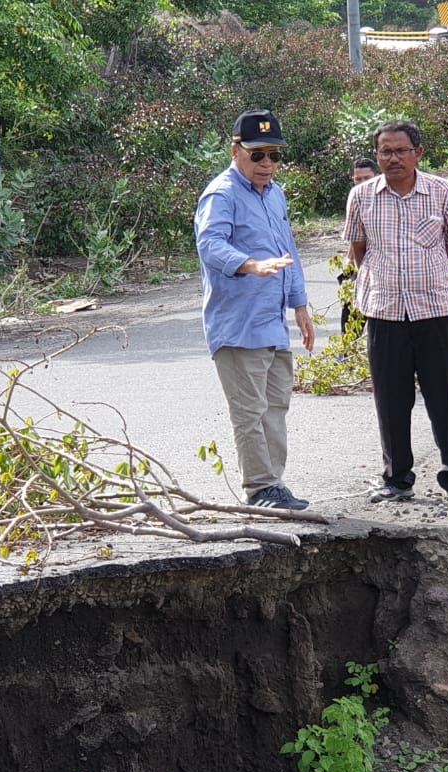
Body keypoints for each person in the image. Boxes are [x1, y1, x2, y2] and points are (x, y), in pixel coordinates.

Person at [343, 120, 448, 505]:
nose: (393, 158)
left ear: (418, 153)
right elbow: (359, 249)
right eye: (385, 151)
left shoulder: (440, 192)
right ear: (377, 155)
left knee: (444, 398)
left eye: (401, 150)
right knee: (390, 400)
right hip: (384, 312)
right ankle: (397, 479)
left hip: (433, 310)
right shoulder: (362, 197)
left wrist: (419, 273)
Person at [194, 108, 316, 511]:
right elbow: (210, 245)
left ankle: (274, 486)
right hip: (238, 324)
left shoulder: (274, 194)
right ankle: (261, 488)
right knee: (249, 411)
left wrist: (299, 304)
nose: (267, 164)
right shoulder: (221, 194)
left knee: (276, 406)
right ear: (236, 150)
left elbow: (288, 251)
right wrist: (250, 264)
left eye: (275, 155)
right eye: (258, 155)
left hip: (272, 323)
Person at [338, 158, 381, 335]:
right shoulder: (356, 198)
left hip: (381, 267)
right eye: (358, 179)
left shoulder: (385, 199)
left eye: (367, 178)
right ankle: (347, 353)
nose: (362, 182)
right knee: (350, 311)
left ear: (378, 176)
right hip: (360, 263)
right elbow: (356, 237)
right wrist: (349, 260)